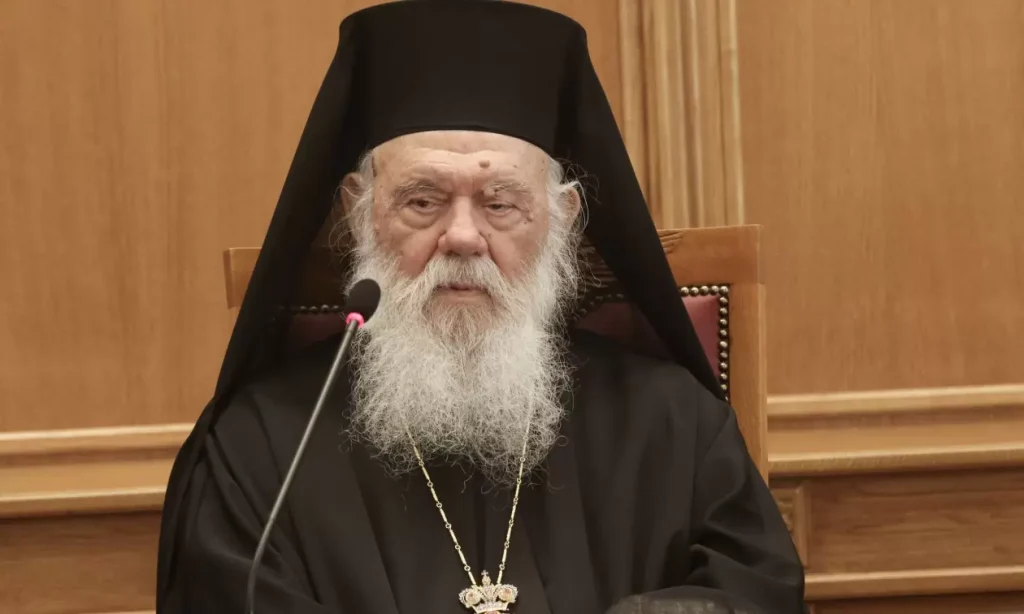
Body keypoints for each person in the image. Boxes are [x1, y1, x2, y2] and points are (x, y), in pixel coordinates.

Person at [156, 1, 806, 613]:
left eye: (500, 203)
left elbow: (755, 593)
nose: (463, 237)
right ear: (361, 211)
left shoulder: (672, 424)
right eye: (422, 201)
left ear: (561, 217)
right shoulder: (262, 448)